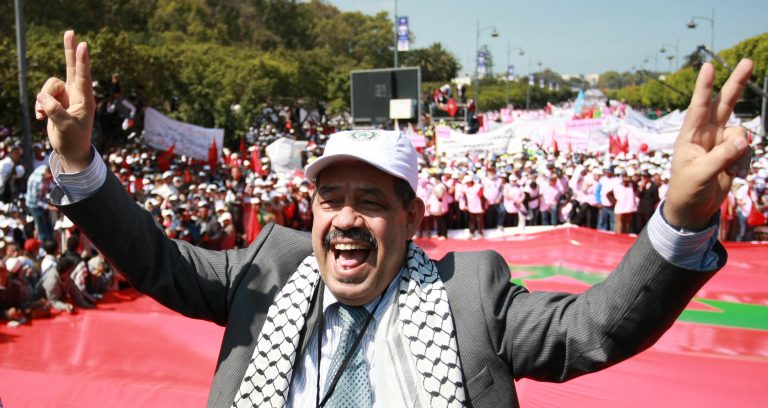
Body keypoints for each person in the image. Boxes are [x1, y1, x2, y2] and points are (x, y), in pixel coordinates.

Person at [36, 31, 752, 408]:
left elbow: (595, 330)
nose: (346, 219)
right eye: (331, 198)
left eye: (372, 201)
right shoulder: (265, 271)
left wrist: (681, 217)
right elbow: (155, 259)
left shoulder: (471, 296)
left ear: (412, 217)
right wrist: (78, 162)